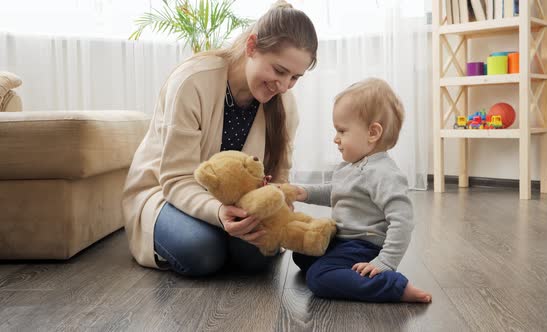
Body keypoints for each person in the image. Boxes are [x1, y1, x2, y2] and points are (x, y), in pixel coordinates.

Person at [122, 0, 318, 277]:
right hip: (166, 193)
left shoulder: (285, 105)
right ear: (252, 47)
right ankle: (214, 239)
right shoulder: (192, 83)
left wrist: (275, 212)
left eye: (295, 77)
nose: (284, 86)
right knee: (202, 251)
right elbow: (176, 179)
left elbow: (278, 179)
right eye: (279, 71)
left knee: (258, 256)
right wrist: (218, 213)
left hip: (237, 205)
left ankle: (228, 239)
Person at [291, 78, 432, 303]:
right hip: (343, 239)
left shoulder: (383, 172)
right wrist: (303, 192)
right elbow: (338, 193)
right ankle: (339, 271)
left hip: (363, 246)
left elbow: (403, 221)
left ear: (373, 133)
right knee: (301, 253)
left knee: (318, 278)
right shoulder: (353, 165)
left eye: (342, 131)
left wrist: (385, 262)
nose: (335, 138)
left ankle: (394, 286)